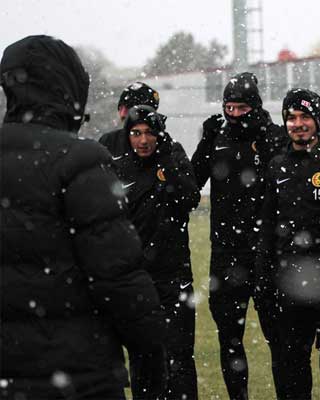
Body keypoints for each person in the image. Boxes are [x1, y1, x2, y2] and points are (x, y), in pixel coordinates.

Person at [0, 35, 165, 400]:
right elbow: (117, 276)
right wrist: (151, 352)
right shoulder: (80, 160)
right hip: (77, 371)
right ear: (68, 89)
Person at [191, 72, 286, 400]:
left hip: (264, 252)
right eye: (228, 107)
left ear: (255, 107)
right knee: (229, 337)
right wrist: (205, 142)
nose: (233, 115)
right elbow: (191, 186)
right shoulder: (217, 137)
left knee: (279, 338)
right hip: (225, 252)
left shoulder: (274, 137)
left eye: (241, 108)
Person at [257, 88, 320, 400]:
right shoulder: (276, 166)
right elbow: (268, 228)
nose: (297, 124)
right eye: (291, 117)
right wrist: (263, 279)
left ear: (318, 120)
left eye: (304, 117)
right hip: (289, 283)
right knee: (290, 364)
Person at [100, 105, 200, 399]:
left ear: (159, 135)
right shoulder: (118, 167)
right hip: (136, 278)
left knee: (180, 356)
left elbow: (189, 198)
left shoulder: (173, 156)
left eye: (149, 133)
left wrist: (167, 163)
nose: (143, 140)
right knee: (143, 356)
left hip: (174, 278)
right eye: (136, 133)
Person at [99, 81, 160, 152]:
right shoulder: (109, 142)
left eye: (128, 109)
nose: (122, 114)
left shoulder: (165, 148)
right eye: (120, 108)